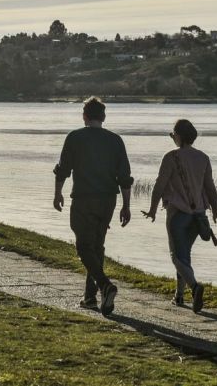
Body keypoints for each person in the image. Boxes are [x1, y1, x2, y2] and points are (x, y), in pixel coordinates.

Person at [53, 97, 133, 316]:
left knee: (83, 247)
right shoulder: (115, 141)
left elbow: (63, 169)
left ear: (84, 116)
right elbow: (124, 178)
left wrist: (58, 193)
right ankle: (90, 298)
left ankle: (105, 286)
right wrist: (126, 206)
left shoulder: (75, 137)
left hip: (83, 198)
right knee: (96, 246)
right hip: (108, 200)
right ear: (104, 117)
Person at [142, 119, 217, 313]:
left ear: (178, 136)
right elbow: (210, 187)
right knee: (184, 253)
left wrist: (153, 209)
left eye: (172, 135)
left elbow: (159, 185)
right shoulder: (203, 158)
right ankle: (179, 296)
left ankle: (195, 287)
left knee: (176, 256)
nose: (172, 138)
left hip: (178, 214)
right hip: (198, 215)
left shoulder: (171, 157)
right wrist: (215, 211)